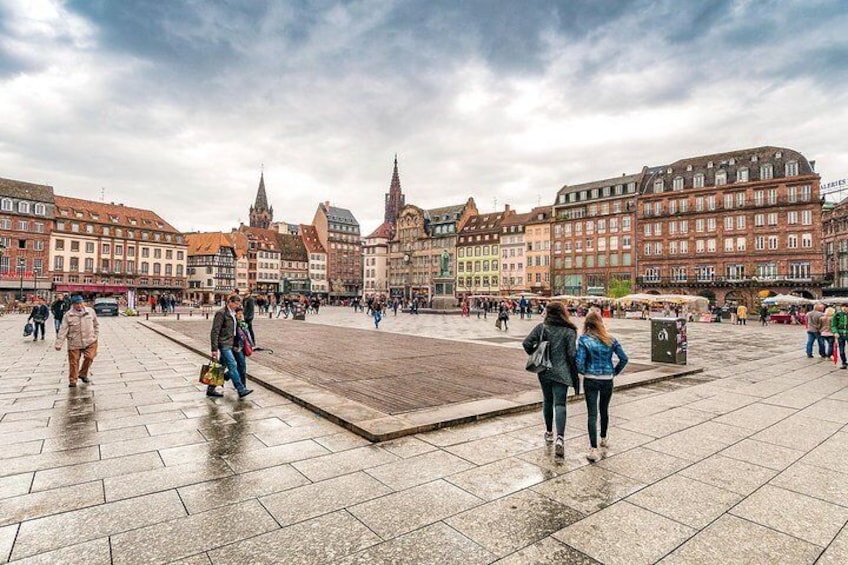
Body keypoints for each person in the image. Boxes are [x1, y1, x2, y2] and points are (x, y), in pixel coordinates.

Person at [522, 301, 578, 458]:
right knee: (560, 404)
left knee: (547, 400)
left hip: (544, 370)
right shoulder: (569, 330)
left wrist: (537, 351)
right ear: (563, 313)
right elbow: (572, 354)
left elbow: (526, 343)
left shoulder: (542, 328)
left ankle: (549, 433)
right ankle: (560, 438)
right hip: (562, 371)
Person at [577, 311, 629, 462]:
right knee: (604, 409)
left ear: (587, 324)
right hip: (607, 378)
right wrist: (613, 372)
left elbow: (579, 363)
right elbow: (624, 359)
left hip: (591, 379)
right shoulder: (610, 339)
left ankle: (593, 449)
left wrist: (584, 370)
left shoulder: (584, 339)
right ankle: (604, 438)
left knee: (592, 414)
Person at [209, 294, 253, 398]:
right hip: (224, 344)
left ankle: (211, 388)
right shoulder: (221, 313)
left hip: (231, 343)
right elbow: (215, 331)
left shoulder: (234, 313)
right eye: (236, 303)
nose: (237, 306)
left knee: (221, 367)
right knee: (232, 365)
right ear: (230, 302)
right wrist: (214, 349)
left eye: (239, 304)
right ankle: (240, 389)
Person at [55, 295, 99, 387]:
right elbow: (63, 329)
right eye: (76, 304)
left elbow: (96, 324)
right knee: (74, 362)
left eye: (80, 303)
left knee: (90, 357)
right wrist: (59, 343)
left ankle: (82, 374)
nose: (79, 305)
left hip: (90, 340)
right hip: (74, 341)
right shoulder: (68, 315)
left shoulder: (90, 312)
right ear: (73, 305)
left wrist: (95, 335)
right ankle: (73, 380)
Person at [832, 303, 848, 369]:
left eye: (846, 307)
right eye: (843, 307)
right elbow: (833, 325)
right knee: (841, 350)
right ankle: (844, 362)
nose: (844, 308)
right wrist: (835, 332)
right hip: (840, 334)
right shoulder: (837, 315)